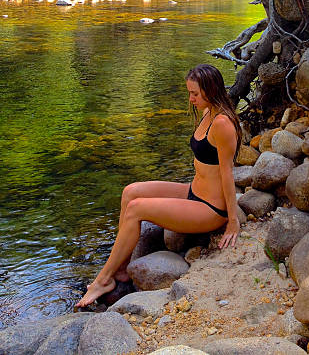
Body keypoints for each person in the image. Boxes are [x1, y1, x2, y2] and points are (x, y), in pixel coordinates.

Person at [76, 63, 241, 308]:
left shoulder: (222, 124)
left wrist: (233, 221)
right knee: (130, 192)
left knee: (136, 209)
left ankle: (103, 279)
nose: (191, 98)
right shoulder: (207, 112)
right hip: (193, 192)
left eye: (195, 93)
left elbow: (227, 175)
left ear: (211, 89)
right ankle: (120, 268)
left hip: (209, 209)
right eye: (189, 92)